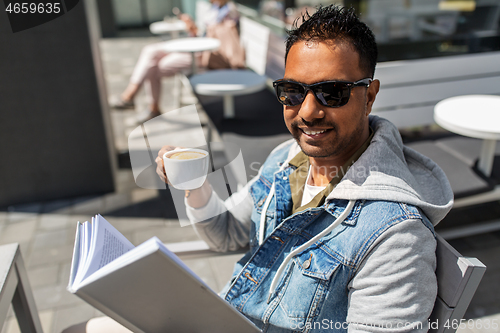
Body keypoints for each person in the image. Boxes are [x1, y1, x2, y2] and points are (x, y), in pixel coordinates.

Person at [63, 5, 453, 333]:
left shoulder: (396, 234)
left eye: (331, 92)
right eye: (293, 91)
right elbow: (228, 234)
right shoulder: (288, 159)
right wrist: (196, 185)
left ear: (368, 96)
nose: (308, 111)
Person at [110, 0, 240, 123]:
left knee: (154, 67)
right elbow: (204, 35)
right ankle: (132, 95)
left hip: (207, 55)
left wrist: (201, 30)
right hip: (197, 47)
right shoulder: (214, 8)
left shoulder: (230, 11)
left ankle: (149, 106)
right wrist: (193, 29)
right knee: (150, 51)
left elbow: (221, 39)